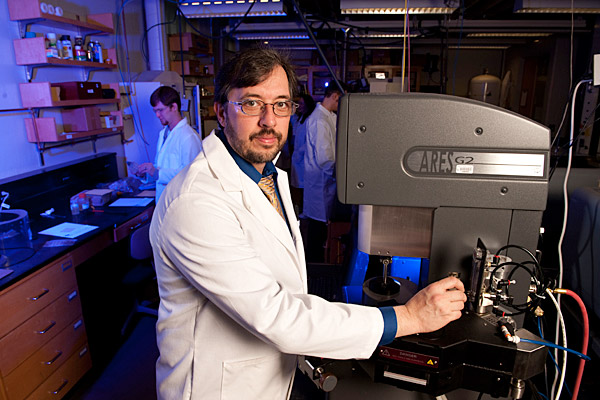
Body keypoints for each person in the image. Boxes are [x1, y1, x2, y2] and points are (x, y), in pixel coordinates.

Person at [149, 46, 466, 400]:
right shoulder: (196, 201)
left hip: (264, 374)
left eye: (281, 105)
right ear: (221, 113)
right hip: (217, 388)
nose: (269, 120)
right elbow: (275, 316)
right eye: (251, 103)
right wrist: (407, 318)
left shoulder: (267, 174)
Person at [136, 86, 202, 202]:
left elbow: (191, 175)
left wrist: (157, 173)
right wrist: (146, 173)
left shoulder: (188, 137)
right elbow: (159, 168)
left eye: (160, 110)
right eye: (155, 111)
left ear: (174, 107)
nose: (157, 115)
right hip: (163, 201)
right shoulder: (163, 134)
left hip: (180, 203)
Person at [302, 84, 345, 262]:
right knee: (317, 231)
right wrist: (339, 176)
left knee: (319, 228)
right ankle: (315, 269)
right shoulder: (319, 120)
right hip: (321, 183)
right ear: (335, 96)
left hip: (324, 183)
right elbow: (324, 157)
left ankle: (317, 264)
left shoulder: (329, 117)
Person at [289, 93, 316, 215]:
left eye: (301, 104)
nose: (299, 106)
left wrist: (299, 153)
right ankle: (299, 208)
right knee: (297, 185)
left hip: (304, 158)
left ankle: (304, 209)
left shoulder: (310, 120)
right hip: (297, 158)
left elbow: (309, 141)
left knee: (304, 185)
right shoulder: (300, 119)